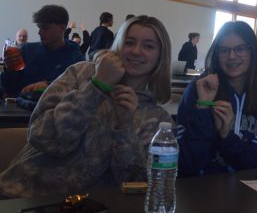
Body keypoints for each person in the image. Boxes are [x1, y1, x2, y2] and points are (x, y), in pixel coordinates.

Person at [0, 16, 173, 198]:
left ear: (160, 56)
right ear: (119, 46)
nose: (136, 51)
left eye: (148, 46)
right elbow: (41, 137)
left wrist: (125, 127)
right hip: (19, 196)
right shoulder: (81, 73)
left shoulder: (158, 120)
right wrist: (96, 86)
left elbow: (134, 186)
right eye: (129, 42)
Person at [177, 21, 257, 176]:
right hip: (197, 191)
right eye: (224, 50)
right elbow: (186, 164)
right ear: (216, 54)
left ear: (252, 51)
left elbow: (255, 164)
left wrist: (226, 136)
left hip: (246, 192)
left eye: (240, 48)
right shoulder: (198, 89)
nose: (232, 56)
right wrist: (203, 109)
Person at [0, 5, 85, 97]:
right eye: (39, 27)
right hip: (19, 108)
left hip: (55, 110)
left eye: (45, 27)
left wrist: (49, 86)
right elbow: (8, 88)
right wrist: (9, 69)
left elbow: (79, 93)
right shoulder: (27, 50)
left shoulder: (76, 60)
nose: (39, 32)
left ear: (62, 28)